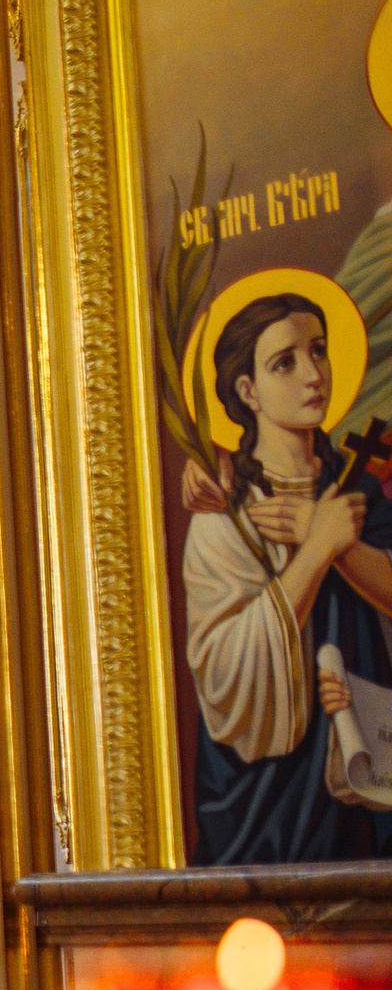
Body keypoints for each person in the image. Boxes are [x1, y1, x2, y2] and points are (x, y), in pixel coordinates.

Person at [179, 290, 392, 860]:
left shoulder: (360, 481)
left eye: (318, 352)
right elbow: (223, 674)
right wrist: (320, 546)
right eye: (285, 362)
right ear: (247, 392)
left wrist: (335, 542)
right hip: (265, 804)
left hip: (368, 774)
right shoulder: (224, 518)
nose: (314, 374)